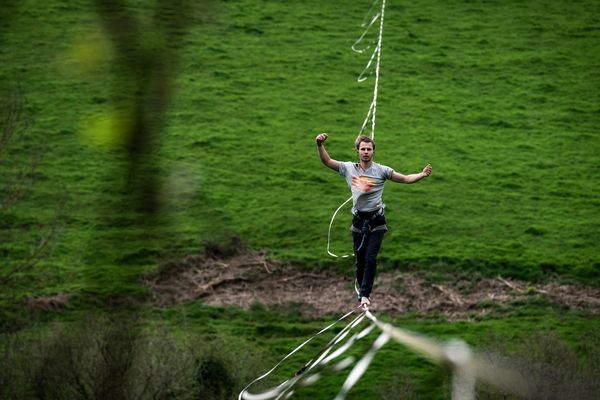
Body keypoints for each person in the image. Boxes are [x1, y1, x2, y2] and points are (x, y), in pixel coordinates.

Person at [315, 133, 432, 307]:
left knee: (370, 259)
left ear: (373, 152)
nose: (366, 152)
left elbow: (406, 179)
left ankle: (365, 295)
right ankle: (361, 292)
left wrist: (421, 175)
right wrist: (319, 145)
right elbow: (327, 161)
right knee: (360, 261)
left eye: (369, 149)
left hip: (376, 221)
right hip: (358, 221)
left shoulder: (382, 171)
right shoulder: (348, 168)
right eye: (363, 149)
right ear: (357, 151)